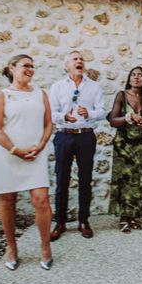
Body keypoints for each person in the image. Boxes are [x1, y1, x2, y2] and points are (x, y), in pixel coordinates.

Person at [0, 54, 53, 270]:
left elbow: (48, 124)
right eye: (26, 65)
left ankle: (45, 247)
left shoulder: (40, 94)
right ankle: (12, 247)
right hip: (8, 154)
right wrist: (14, 149)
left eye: (33, 66)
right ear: (12, 68)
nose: (30, 69)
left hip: (35, 154)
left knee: (41, 200)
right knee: (7, 200)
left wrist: (42, 144)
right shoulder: (2, 95)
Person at [49, 50, 105, 241]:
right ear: (67, 65)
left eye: (82, 59)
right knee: (62, 180)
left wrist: (89, 113)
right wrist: (64, 116)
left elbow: (102, 111)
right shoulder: (57, 87)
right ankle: (60, 222)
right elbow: (51, 113)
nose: (79, 61)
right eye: (75, 59)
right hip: (64, 136)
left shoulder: (94, 87)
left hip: (85, 136)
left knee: (85, 180)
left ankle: (84, 221)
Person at [108, 66, 142, 233]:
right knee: (123, 180)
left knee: (137, 180)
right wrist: (128, 117)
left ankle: (133, 215)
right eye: (133, 75)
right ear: (129, 78)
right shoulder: (122, 95)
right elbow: (113, 120)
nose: (136, 78)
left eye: (140, 75)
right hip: (123, 144)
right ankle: (123, 217)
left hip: (139, 146)